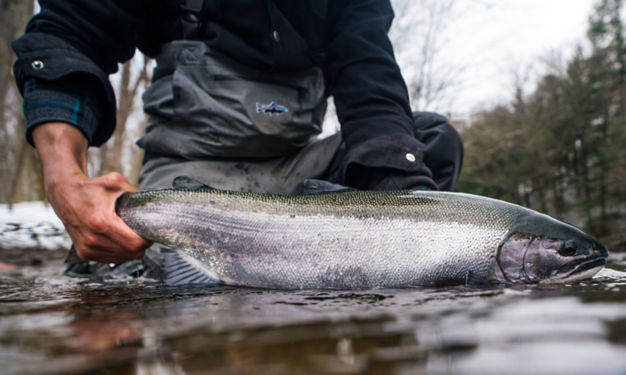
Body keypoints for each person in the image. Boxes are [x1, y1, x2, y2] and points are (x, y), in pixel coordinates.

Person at [11, 0, 463, 266]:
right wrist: (65, 180)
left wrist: (416, 209)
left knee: (431, 141)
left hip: (299, 183)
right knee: (142, 272)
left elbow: (371, 86)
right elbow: (69, 36)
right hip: (187, 186)